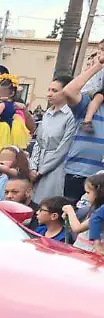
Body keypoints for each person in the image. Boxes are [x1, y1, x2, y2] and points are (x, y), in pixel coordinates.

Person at [58, 44, 104, 202]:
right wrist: (99, 64)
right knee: (71, 219)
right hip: (79, 174)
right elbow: (68, 91)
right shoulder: (87, 103)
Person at [31, 76, 76, 203]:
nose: (49, 94)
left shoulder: (70, 115)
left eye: (55, 91)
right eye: (49, 90)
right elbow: (38, 142)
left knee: (49, 202)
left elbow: (63, 148)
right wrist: (33, 167)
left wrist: (41, 171)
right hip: (39, 162)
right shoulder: (47, 113)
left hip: (56, 167)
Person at [0, 74, 31, 151]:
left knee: (0, 148)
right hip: (12, 126)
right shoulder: (14, 104)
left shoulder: (2, 104)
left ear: (11, 94)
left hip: (3, 127)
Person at [63, 172, 104, 251]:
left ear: (99, 192)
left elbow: (77, 228)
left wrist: (70, 210)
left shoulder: (99, 212)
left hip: (89, 250)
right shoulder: (94, 209)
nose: (86, 196)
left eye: (88, 192)